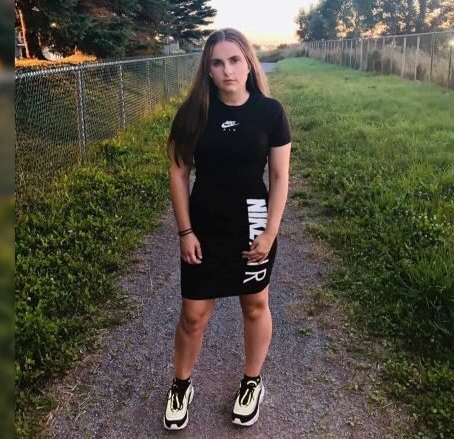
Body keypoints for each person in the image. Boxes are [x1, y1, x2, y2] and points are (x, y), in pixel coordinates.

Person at [163, 28, 292, 430]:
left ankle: (252, 382)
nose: (227, 70)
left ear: (248, 62)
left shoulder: (271, 113)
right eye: (217, 63)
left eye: (234, 60)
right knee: (193, 315)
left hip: (253, 222)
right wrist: (186, 232)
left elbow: (280, 177)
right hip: (204, 226)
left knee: (254, 305)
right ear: (208, 69)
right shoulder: (193, 113)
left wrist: (270, 232)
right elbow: (178, 174)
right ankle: (181, 386)